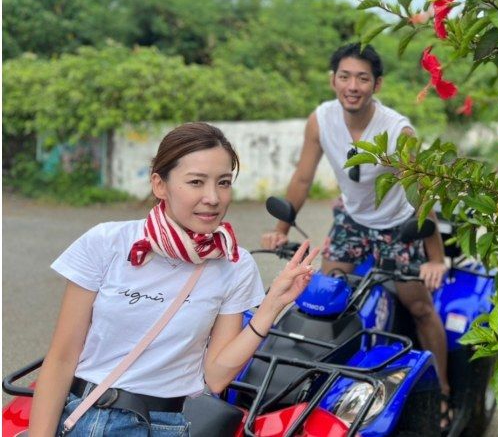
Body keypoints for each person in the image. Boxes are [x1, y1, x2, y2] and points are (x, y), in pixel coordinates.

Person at [29, 122, 320, 437]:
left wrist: (272, 306)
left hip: (165, 426)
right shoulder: (107, 242)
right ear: (159, 185)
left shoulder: (234, 264)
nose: (212, 197)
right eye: (196, 182)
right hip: (89, 419)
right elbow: (61, 359)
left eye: (223, 182)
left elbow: (217, 377)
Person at [261, 42, 452, 427]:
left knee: (419, 306)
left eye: (362, 78)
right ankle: (323, 389)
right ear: (333, 80)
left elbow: (421, 194)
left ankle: (444, 390)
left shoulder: (398, 130)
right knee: (328, 297)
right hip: (352, 220)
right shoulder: (320, 120)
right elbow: (302, 176)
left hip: (399, 223)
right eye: (345, 76)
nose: (353, 85)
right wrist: (280, 229)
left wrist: (435, 257)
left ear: (377, 84)